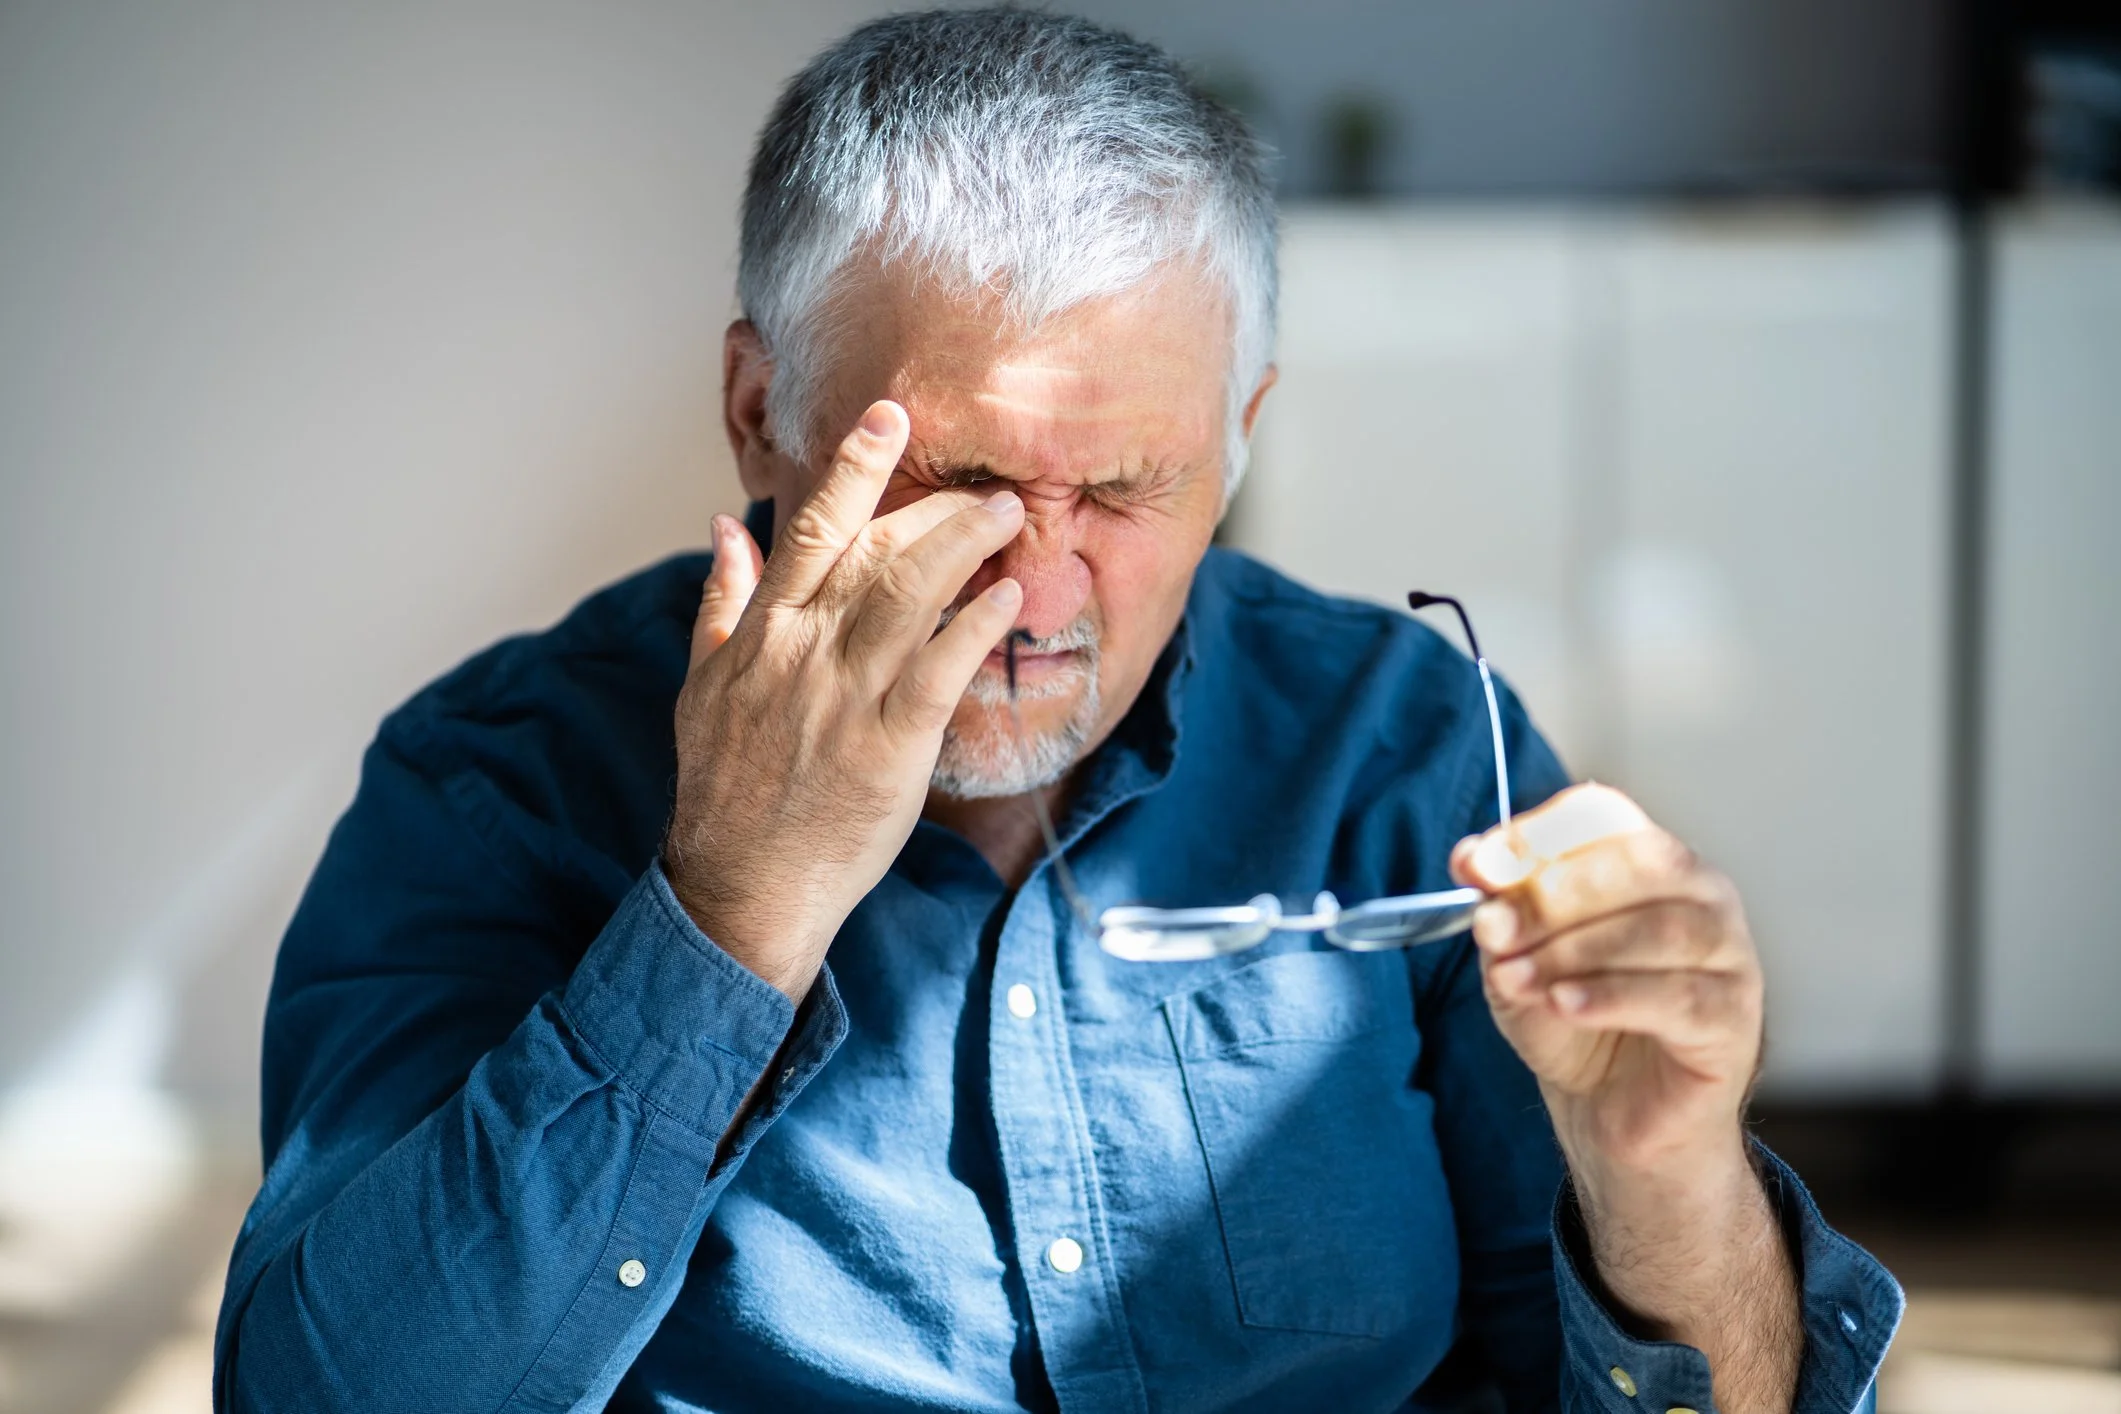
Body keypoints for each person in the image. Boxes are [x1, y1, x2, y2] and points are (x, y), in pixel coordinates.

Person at [214, 10, 1900, 1412]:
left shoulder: (1398, 747)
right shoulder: (490, 785)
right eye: (954, 481)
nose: (1038, 587)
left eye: (1125, 484)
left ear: (1240, 438)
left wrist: (1669, 1181)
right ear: (758, 412)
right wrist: (729, 916)